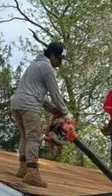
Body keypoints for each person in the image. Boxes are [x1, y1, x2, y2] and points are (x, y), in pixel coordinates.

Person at [10, 41, 69, 188]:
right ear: (53, 55)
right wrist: (66, 114)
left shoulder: (34, 65)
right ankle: (32, 173)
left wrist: (52, 109)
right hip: (29, 105)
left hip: (17, 103)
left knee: (25, 136)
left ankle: (23, 168)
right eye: (60, 59)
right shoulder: (47, 68)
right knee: (34, 137)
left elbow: (39, 95)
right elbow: (55, 94)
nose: (60, 64)